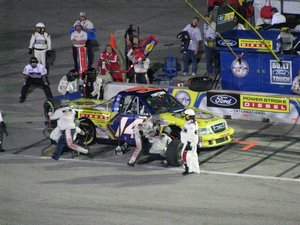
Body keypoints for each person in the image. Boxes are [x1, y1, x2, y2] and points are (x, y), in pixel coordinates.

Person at [180, 109, 200, 175]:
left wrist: (189, 144)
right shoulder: (191, 122)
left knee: (185, 155)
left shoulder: (191, 124)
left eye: (185, 115)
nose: (184, 116)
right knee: (193, 155)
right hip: (190, 141)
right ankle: (195, 169)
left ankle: (188, 170)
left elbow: (191, 134)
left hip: (189, 142)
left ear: (189, 116)